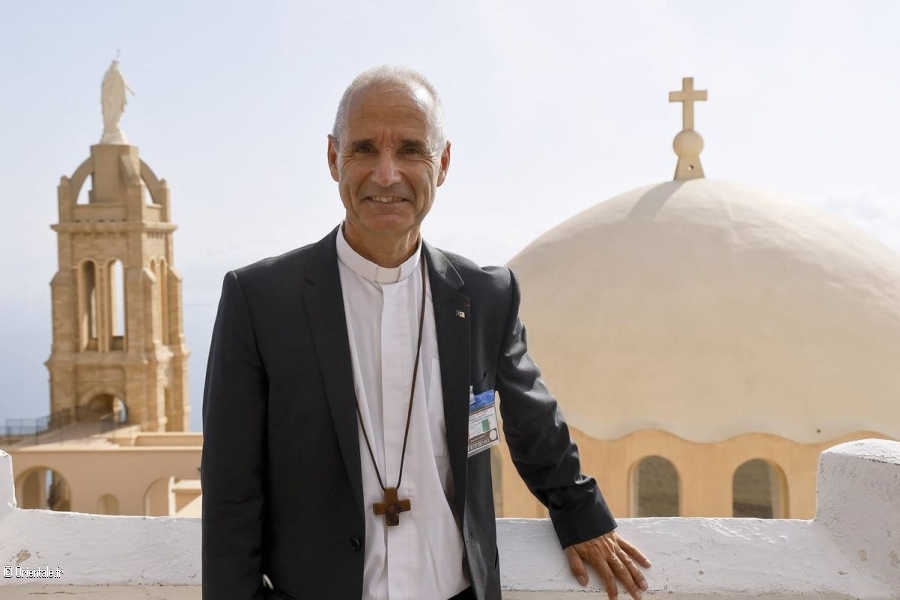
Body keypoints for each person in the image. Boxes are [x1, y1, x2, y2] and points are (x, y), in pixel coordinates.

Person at [201, 65, 651, 600]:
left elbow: (532, 421)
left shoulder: (486, 295)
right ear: (332, 158)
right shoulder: (260, 300)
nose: (386, 174)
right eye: (364, 148)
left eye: (411, 150)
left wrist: (581, 514)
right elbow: (231, 487)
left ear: (442, 163)